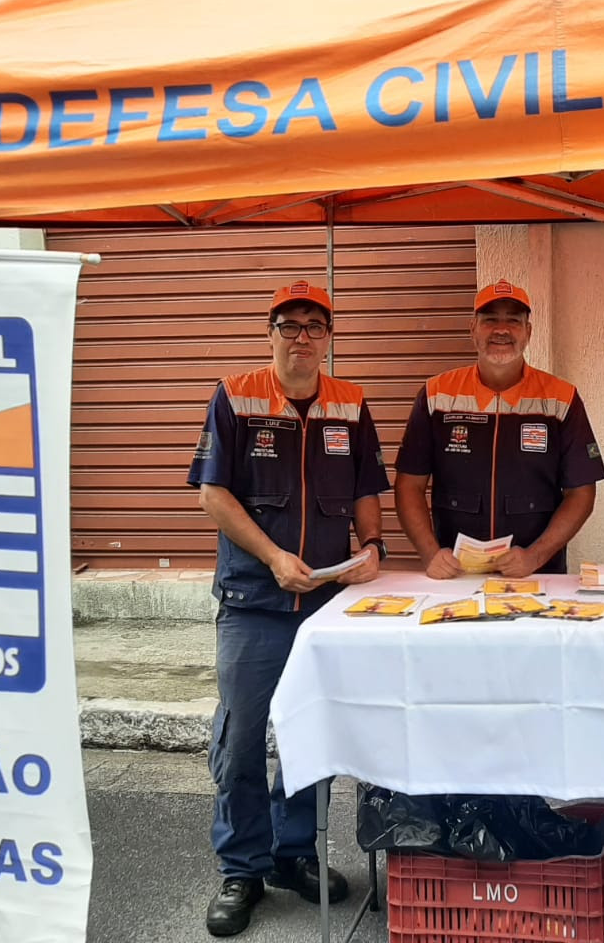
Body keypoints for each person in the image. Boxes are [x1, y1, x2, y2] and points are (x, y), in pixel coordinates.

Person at [188, 281, 390, 938]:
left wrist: (373, 547)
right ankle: (241, 868)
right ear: (270, 332)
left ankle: (294, 852)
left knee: (311, 731)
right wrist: (274, 556)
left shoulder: (350, 403)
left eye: (314, 326)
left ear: (328, 337)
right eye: (290, 325)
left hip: (326, 603)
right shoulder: (235, 395)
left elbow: (366, 490)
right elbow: (213, 495)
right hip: (253, 599)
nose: (302, 336)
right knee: (242, 738)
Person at [395, 279, 604, 578]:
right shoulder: (436, 395)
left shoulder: (561, 398)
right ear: (472, 329)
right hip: (455, 573)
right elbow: (409, 485)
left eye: (513, 321)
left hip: (536, 574)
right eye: (490, 320)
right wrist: (430, 553)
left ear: (528, 332)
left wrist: (535, 556)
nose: (501, 330)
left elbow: (581, 493)